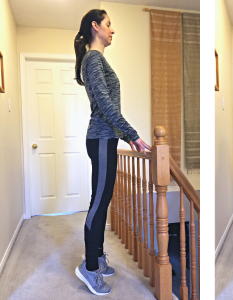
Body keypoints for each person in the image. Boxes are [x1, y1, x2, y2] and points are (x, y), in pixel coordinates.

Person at [73, 9, 151, 295]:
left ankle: (97, 256)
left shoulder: (96, 60)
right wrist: (132, 136)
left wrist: (126, 136)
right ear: (95, 27)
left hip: (105, 138)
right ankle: (89, 268)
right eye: (108, 25)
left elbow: (108, 107)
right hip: (101, 137)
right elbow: (106, 106)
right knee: (99, 203)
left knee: (102, 200)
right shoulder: (94, 59)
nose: (112, 30)